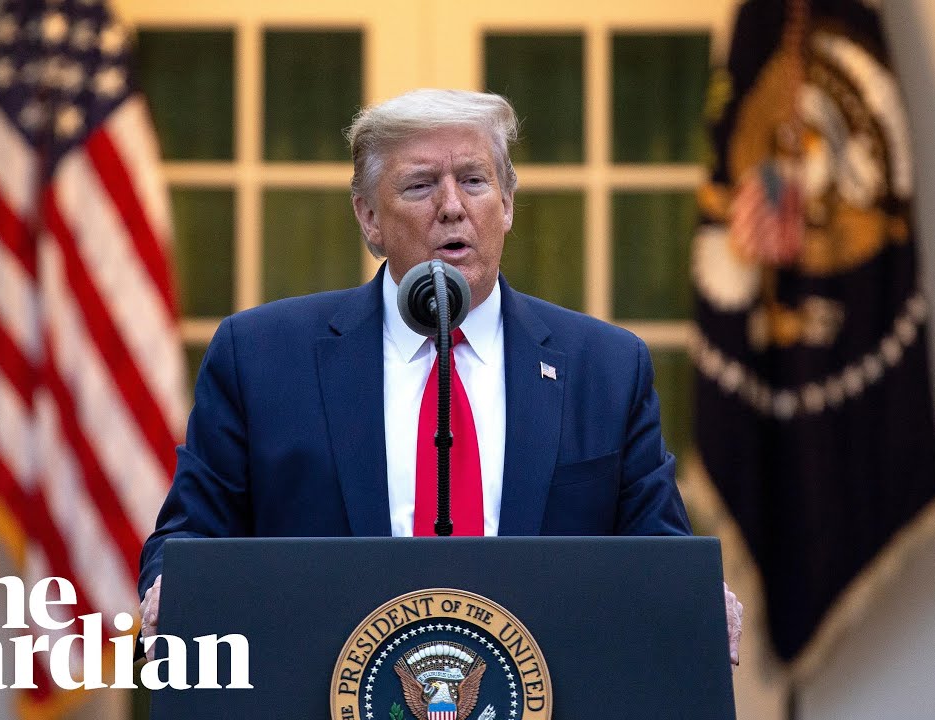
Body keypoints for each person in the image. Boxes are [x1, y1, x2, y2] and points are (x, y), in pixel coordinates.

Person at [138, 88, 741, 662]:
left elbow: (655, 550)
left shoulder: (604, 369)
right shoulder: (262, 359)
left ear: (506, 204)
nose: (452, 205)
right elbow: (189, 538)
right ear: (369, 218)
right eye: (421, 185)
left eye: (474, 181)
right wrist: (175, 584)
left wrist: (690, 596)